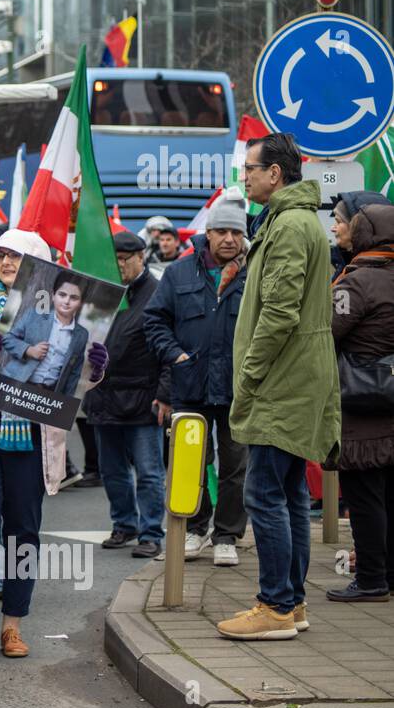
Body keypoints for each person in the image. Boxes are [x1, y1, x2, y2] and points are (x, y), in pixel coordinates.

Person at [0, 230, 108, 660]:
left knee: (22, 534)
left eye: (17, 258)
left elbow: (74, 381)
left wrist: (94, 370)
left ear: (40, 267)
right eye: (1, 256)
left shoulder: (65, 311)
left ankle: (13, 627)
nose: (6, 263)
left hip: (34, 442)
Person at [219, 133, 340, 641]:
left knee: (264, 494)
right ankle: (292, 603)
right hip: (294, 380)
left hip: (279, 382)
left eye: (250, 169)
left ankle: (273, 607)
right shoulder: (296, 220)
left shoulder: (289, 224)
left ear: (276, 174)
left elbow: (279, 313)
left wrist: (248, 374)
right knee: (288, 495)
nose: (244, 176)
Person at [144, 196, 250, 565]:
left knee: (236, 467)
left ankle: (227, 536)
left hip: (239, 390)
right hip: (191, 386)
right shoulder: (179, 272)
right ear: (208, 233)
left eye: (236, 232)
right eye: (222, 231)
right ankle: (195, 528)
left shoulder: (255, 273)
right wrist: (175, 354)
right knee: (191, 462)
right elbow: (154, 319)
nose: (229, 239)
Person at [326, 198, 394, 602]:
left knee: (364, 499)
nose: (337, 228)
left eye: (343, 222)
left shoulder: (356, 282)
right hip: (390, 404)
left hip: (360, 409)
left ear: (366, 232)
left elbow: (324, 333)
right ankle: (388, 573)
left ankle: (370, 579)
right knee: (389, 496)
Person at [84, 232, 168, 558]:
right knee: (112, 470)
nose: (119, 264)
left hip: (143, 397)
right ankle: (124, 525)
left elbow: (166, 350)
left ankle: (150, 532)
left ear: (141, 256)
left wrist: (165, 394)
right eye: (115, 258)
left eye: (125, 258)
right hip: (103, 396)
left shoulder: (157, 293)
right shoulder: (100, 291)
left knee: (148, 471)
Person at [0, 270, 91, 394]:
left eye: (74, 298)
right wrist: (28, 350)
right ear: (53, 296)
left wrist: (66, 402)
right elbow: (7, 339)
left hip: (48, 396)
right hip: (16, 384)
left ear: (81, 303)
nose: (66, 301)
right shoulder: (34, 315)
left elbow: (74, 372)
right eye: (62, 295)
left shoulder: (81, 335)